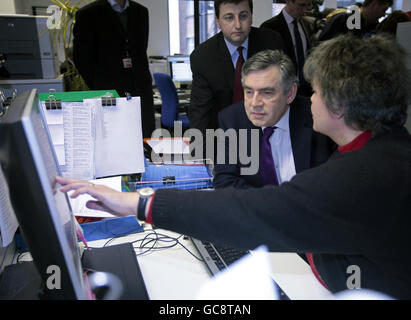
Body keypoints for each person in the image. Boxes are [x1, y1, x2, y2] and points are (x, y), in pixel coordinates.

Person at [57, 34, 411, 299]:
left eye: (315, 91)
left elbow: (266, 210)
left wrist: (141, 204)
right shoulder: (382, 152)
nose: (311, 98)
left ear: (340, 104)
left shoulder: (366, 173)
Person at [213, 49, 333, 189]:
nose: (255, 103)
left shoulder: (319, 116)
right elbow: (224, 180)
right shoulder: (231, 121)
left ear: (290, 93)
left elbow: (338, 178)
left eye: (267, 93)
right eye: (249, 92)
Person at [188, 0, 284, 137]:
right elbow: (200, 113)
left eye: (243, 16)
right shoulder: (203, 56)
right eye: (229, 18)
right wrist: (201, 155)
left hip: (268, 134)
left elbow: (282, 96)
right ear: (218, 22)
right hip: (223, 138)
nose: (238, 25)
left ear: (251, 16)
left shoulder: (271, 42)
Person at [73, 0, 155, 138]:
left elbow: (140, 50)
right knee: (114, 142)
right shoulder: (88, 14)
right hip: (108, 92)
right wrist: (99, 85)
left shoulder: (141, 12)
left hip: (141, 92)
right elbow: (81, 58)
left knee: (144, 141)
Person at [260, 0, 313, 96]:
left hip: (306, 89)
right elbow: (266, 63)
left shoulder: (306, 24)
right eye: (301, 5)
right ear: (288, 1)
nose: (305, 10)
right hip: (283, 89)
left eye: (308, 6)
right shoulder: (269, 28)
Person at [318, 0, 393, 41]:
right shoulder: (342, 19)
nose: (383, 14)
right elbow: (320, 46)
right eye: (383, 10)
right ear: (374, 4)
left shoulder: (373, 27)